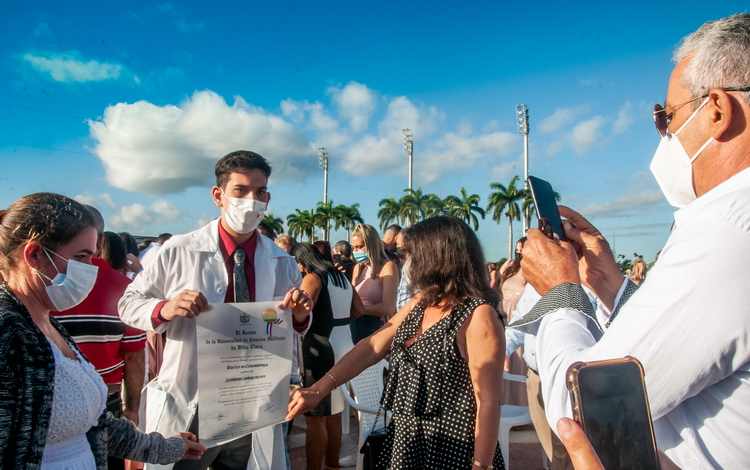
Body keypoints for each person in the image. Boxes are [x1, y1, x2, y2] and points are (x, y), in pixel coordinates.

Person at [517, 13, 750, 468]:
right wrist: (611, 286)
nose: (663, 131)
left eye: (667, 115)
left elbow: (585, 408)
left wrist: (561, 293)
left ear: (717, 110)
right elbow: (677, 351)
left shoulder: (727, 227)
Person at [118, 150, 313, 470]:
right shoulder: (178, 251)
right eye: (241, 190)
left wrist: (301, 315)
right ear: (218, 195)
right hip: (192, 400)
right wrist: (165, 308)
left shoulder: (282, 261)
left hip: (253, 398)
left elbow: (291, 326)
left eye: (260, 191)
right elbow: (129, 303)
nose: (252, 200)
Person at [0, 193, 205, 469]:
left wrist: (168, 448)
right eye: (81, 258)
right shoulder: (8, 332)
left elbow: (96, 426)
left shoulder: (45, 322)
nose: (89, 270)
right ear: (35, 254)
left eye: (92, 257)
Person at [288, 215, 506, 470]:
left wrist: (480, 465)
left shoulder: (478, 315)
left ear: (440, 256)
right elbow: (371, 347)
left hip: (452, 447)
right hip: (406, 438)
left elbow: (488, 402)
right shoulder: (422, 302)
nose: (407, 262)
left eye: (414, 255)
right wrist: (317, 390)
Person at [50, 208, 148, 470]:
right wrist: (133, 408)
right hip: (108, 400)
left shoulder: (43, 283)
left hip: (51, 403)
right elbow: (134, 356)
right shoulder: (125, 287)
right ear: (101, 241)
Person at [290, 242, 364, 470]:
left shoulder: (313, 277)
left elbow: (301, 311)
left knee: (315, 418)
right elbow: (360, 311)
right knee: (334, 414)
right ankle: (332, 464)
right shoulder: (340, 278)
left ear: (301, 262)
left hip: (322, 346)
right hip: (344, 344)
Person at [349, 223, 398, 344]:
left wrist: (360, 309)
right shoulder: (358, 268)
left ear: (372, 246)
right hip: (353, 324)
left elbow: (388, 308)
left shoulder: (387, 267)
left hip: (374, 325)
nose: (356, 251)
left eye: (360, 247)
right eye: (354, 247)